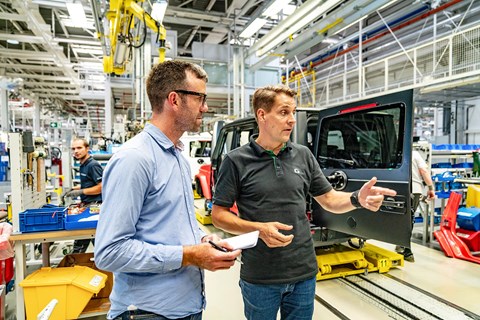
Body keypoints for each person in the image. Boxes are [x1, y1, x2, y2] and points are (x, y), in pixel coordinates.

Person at [211, 85, 398, 320]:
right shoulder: (236, 161)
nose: (291, 120)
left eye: (293, 113)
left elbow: (329, 199)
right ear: (261, 115)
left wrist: (356, 199)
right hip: (261, 276)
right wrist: (258, 229)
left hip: (303, 273)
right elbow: (219, 215)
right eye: (283, 112)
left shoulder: (303, 155)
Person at [94, 60, 241, 320]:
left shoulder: (178, 158)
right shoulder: (135, 159)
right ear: (174, 99)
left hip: (185, 308)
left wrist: (203, 240)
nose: (205, 108)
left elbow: (172, 223)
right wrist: (189, 255)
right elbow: (110, 252)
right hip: (147, 313)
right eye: (200, 98)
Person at [64, 138, 103, 253]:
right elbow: (88, 183)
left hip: (95, 207)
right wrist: (73, 189)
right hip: (88, 205)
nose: (76, 151)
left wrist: (81, 192)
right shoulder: (83, 164)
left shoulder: (92, 165)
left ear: (87, 149)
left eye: (79, 148)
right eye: (73, 149)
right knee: (92, 239)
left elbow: (101, 187)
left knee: (84, 240)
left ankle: (75, 264)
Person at [396, 149, 435, 262]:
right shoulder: (415, 153)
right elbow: (423, 171)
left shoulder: (396, 153)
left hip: (398, 189)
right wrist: (431, 188)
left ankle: (400, 244)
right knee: (409, 219)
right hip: (414, 189)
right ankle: (407, 251)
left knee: (400, 218)